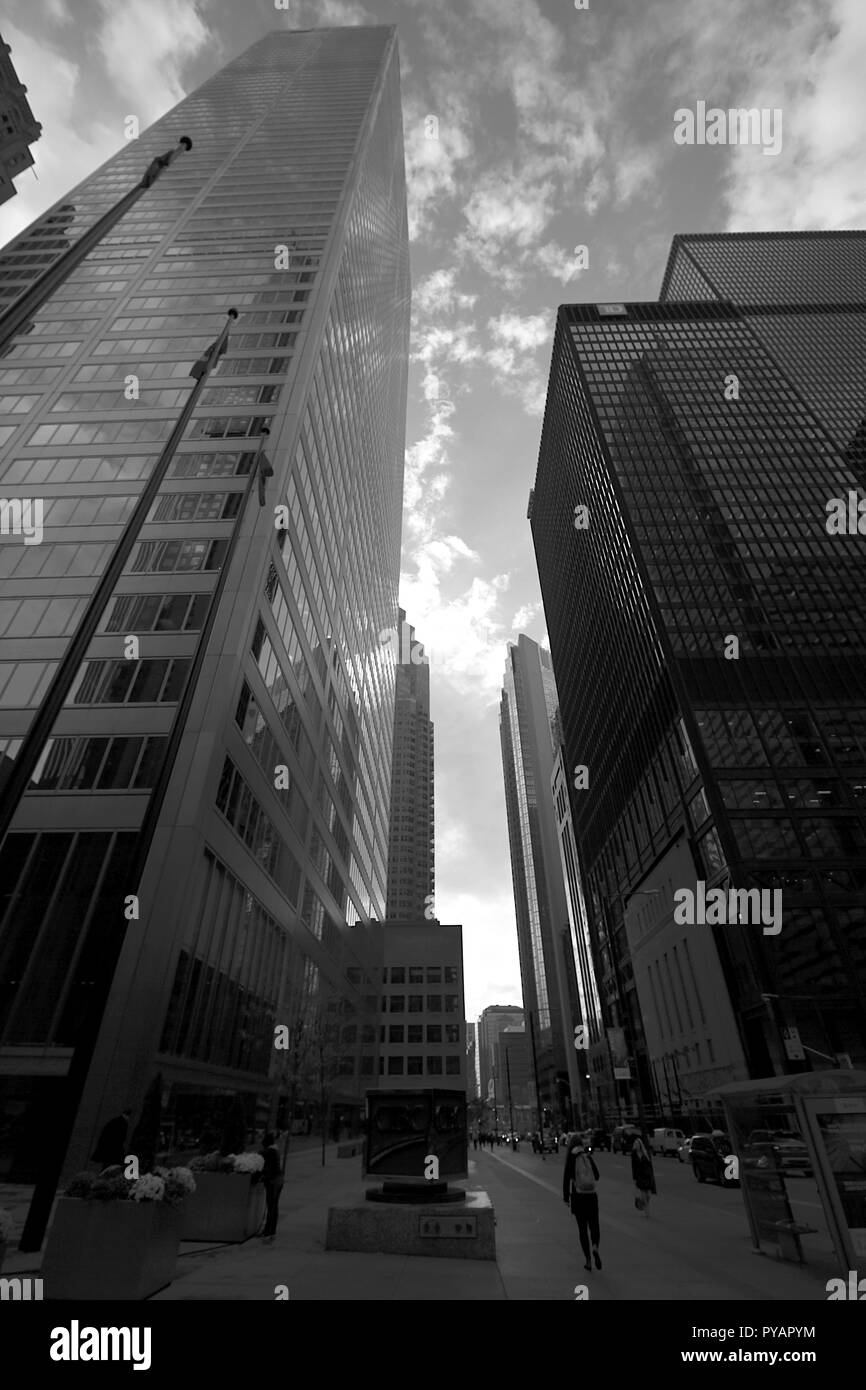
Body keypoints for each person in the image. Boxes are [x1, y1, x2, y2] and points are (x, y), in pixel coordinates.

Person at [563, 1134, 602, 1271]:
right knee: (594, 1225)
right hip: (591, 1196)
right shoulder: (587, 1155)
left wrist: (566, 1197)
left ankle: (588, 1261)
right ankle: (595, 1247)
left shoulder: (571, 1158)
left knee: (582, 1229)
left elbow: (566, 1178)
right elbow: (597, 1175)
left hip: (578, 1197)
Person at [260, 1131, 284, 1242]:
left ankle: (268, 1233)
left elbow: (260, 1155)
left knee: (271, 1207)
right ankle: (270, 1231)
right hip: (278, 1180)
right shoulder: (275, 1150)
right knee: (274, 1206)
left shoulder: (269, 1152)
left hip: (273, 1181)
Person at [631, 1134, 656, 1216]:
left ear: (640, 1145)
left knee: (648, 1194)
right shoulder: (634, 1154)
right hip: (639, 1176)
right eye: (635, 1144)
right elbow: (633, 1167)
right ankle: (647, 1211)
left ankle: (643, 1204)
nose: (636, 1146)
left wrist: (651, 1175)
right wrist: (634, 1178)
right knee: (643, 1194)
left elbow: (650, 1165)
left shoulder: (645, 1153)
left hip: (647, 1175)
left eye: (637, 1144)